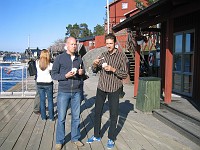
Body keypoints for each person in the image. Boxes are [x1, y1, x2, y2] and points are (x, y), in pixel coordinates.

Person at [87, 33, 128, 149]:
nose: (109, 46)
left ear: (114, 43)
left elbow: (125, 74)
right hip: (101, 87)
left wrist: (113, 69)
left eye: (111, 43)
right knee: (97, 112)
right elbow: (95, 70)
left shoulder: (121, 56)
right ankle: (96, 135)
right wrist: (95, 64)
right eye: (107, 43)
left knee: (114, 114)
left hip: (114, 88)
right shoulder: (103, 55)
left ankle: (111, 138)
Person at [51, 37, 85, 150]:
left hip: (76, 92)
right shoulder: (59, 58)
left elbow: (83, 75)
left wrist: (81, 72)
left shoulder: (79, 59)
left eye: (75, 44)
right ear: (67, 45)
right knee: (61, 118)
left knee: (76, 117)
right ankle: (59, 141)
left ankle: (75, 138)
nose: (74, 46)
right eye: (72, 44)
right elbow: (54, 75)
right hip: (63, 92)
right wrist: (65, 76)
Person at [36, 49, 54, 121]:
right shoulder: (50, 64)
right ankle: (51, 117)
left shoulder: (37, 63)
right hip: (48, 83)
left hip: (39, 83)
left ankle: (43, 117)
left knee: (42, 101)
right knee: (50, 100)